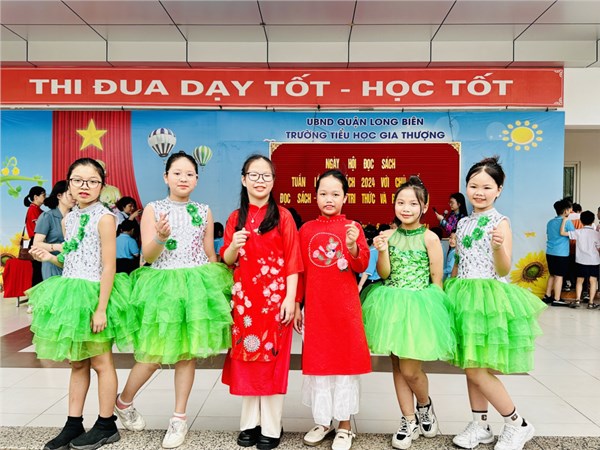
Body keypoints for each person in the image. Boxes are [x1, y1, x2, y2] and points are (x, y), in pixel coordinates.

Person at [114, 151, 232, 449]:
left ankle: (179, 418)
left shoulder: (203, 210)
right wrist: (161, 237)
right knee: (152, 356)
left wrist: (215, 290)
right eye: (177, 173)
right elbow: (149, 255)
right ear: (166, 177)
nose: (183, 178)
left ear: (197, 179)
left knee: (186, 354)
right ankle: (123, 402)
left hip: (195, 286)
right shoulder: (153, 209)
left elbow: (209, 254)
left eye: (189, 174)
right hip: (163, 287)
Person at [27, 158, 136, 450]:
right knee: (77, 362)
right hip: (72, 294)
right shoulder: (69, 219)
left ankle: (106, 424)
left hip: (96, 295)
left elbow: (108, 266)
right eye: (78, 180)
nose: (84, 186)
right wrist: (49, 257)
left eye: (92, 181)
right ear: (69, 184)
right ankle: (73, 423)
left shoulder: (105, 218)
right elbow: (72, 259)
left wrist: (101, 309)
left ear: (102, 186)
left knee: (101, 361)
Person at [445, 156, 547, 450]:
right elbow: (460, 264)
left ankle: (517, 424)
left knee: (477, 369)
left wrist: (499, 246)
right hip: (463, 296)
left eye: (487, 187)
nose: (479, 192)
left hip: (487, 299)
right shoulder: (463, 222)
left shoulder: (500, 222)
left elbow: (503, 269)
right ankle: (480, 425)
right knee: (470, 364)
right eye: (473, 186)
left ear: (499, 190)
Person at [361, 176, 456, 450]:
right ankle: (408, 419)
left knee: (411, 370)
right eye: (401, 202)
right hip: (390, 305)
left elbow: (437, 280)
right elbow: (384, 274)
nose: (406, 208)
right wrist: (381, 251)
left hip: (419, 308)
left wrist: (436, 316)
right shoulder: (388, 237)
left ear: (423, 207)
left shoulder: (431, 238)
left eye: (413, 203)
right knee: (397, 366)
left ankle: (424, 405)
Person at [221, 155, 303, 450]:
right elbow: (227, 260)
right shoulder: (235, 218)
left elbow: (293, 261)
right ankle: (249, 424)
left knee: (272, 363)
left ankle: (271, 426)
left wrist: (291, 299)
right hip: (244, 304)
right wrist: (233, 245)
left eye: (266, 175)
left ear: (273, 181)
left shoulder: (283, 216)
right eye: (253, 175)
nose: (260, 180)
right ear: (243, 179)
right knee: (246, 360)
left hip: (275, 303)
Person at [298, 169, 371, 450]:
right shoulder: (306, 230)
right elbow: (300, 272)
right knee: (320, 365)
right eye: (323, 193)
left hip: (344, 310)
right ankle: (323, 421)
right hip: (316, 310)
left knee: (344, 366)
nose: (329, 199)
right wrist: (298, 304)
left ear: (345, 198)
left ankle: (344, 426)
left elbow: (361, 265)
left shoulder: (353, 227)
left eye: (335, 194)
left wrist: (352, 246)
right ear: (315, 196)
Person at [33, 180, 76, 280]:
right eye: (70, 194)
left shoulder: (77, 217)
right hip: (52, 265)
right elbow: (37, 244)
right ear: (59, 196)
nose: (74, 198)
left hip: (73, 265)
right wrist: (57, 247)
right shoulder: (47, 216)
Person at [559, 210, 600, 309]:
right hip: (594, 261)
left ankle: (577, 300)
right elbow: (598, 248)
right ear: (593, 221)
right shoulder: (596, 234)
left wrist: (564, 220)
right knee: (593, 281)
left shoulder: (578, 232)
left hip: (581, 260)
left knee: (579, 280)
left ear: (581, 221)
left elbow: (562, 233)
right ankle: (591, 303)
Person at [543, 199, 575, 305]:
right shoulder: (567, 222)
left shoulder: (550, 222)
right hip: (561, 253)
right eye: (569, 209)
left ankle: (547, 296)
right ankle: (556, 299)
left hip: (550, 252)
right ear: (566, 211)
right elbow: (573, 235)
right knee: (559, 276)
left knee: (552, 275)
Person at [24, 185, 47, 287]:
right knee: (38, 270)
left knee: (40, 269)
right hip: (36, 241)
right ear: (36, 197)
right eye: (43, 195)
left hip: (39, 241)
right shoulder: (33, 209)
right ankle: (36, 293)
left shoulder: (38, 209)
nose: (45, 197)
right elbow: (39, 226)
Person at [358, 224, 381, 293]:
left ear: (366, 239)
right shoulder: (377, 249)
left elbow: (367, 272)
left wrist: (360, 285)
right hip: (377, 281)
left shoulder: (371, 251)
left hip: (369, 282)